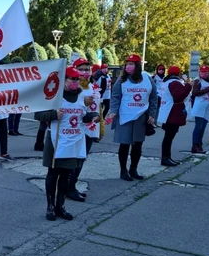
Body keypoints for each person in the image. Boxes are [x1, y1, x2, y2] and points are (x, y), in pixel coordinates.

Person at [34, 67, 99, 221]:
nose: (75, 82)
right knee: (53, 174)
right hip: (56, 140)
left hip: (74, 141)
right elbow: (38, 114)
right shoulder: (54, 96)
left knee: (66, 175)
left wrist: (94, 116)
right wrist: (53, 114)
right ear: (64, 80)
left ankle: (60, 206)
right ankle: (50, 206)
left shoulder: (81, 95)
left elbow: (82, 116)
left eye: (77, 79)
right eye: (72, 79)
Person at [106, 54, 158, 181]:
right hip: (125, 115)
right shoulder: (122, 80)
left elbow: (153, 97)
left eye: (131, 64)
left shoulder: (147, 78)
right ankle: (123, 170)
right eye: (127, 64)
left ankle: (133, 169)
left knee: (138, 145)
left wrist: (152, 114)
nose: (128, 67)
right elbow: (115, 96)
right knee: (124, 144)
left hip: (141, 116)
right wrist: (113, 111)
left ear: (138, 66)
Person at [67, 58, 100, 202]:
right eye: (81, 69)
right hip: (76, 129)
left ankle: (72, 185)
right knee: (74, 160)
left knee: (81, 160)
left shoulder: (93, 86)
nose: (85, 72)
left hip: (90, 129)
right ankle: (68, 187)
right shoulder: (73, 88)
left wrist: (100, 121)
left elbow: (98, 107)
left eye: (87, 69)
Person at [157, 66, 192, 166]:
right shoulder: (175, 82)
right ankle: (165, 158)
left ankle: (167, 157)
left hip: (167, 111)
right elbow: (179, 96)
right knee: (169, 137)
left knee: (168, 136)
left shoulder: (166, 82)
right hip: (172, 112)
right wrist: (189, 86)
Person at [190, 65, 209, 154]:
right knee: (199, 126)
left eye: (206, 72)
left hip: (207, 106)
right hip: (199, 106)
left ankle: (200, 144)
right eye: (202, 72)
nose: (204, 74)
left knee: (203, 127)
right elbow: (195, 93)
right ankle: (195, 145)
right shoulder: (198, 81)